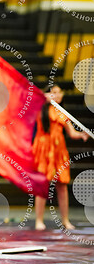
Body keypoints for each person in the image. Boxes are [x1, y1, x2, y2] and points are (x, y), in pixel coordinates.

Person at [33, 84, 89, 231]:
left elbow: (72, 133)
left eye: (59, 92)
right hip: (44, 149)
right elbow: (31, 98)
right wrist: (43, 98)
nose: (57, 95)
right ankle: (39, 220)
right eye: (53, 92)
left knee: (62, 185)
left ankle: (65, 220)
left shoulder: (62, 112)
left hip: (59, 151)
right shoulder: (40, 108)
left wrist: (81, 134)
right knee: (43, 185)